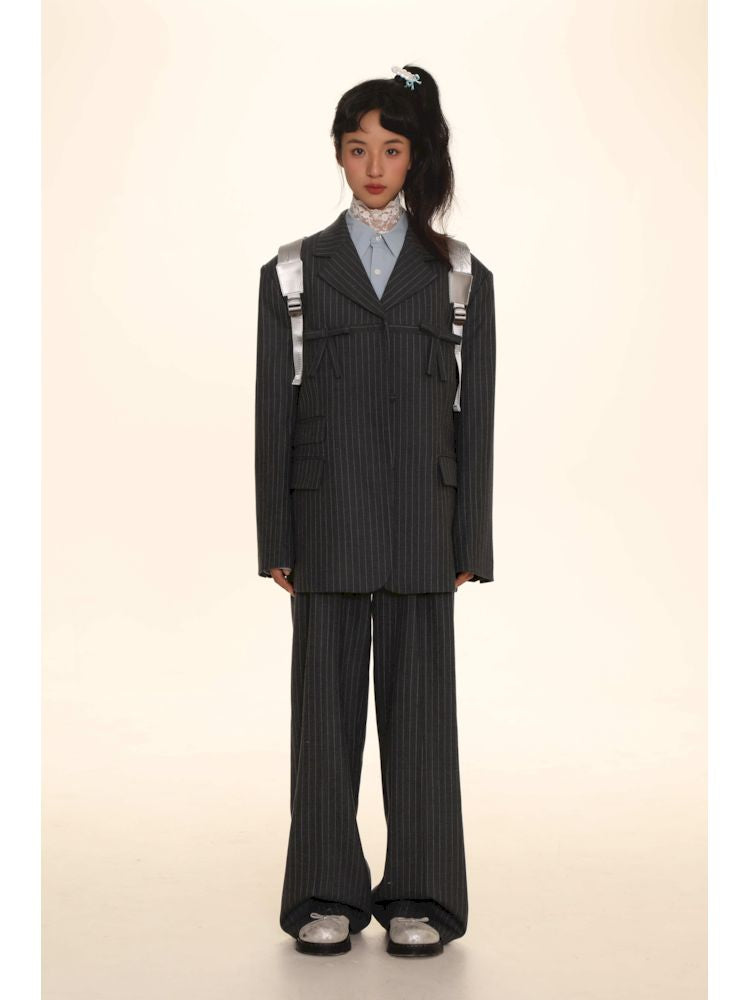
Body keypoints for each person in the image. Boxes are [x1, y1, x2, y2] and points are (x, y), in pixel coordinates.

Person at [254, 64, 496, 957]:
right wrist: (275, 537)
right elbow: (272, 413)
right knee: (323, 721)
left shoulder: (461, 276)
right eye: (358, 149)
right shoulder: (294, 272)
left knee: (421, 720)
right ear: (338, 155)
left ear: (414, 157)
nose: (374, 166)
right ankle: (325, 890)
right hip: (325, 525)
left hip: (425, 528)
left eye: (392, 149)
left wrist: (472, 537)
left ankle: (420, 894)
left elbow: (477, 417)